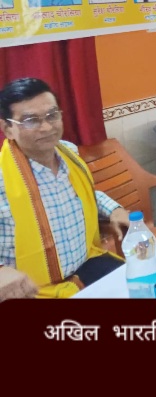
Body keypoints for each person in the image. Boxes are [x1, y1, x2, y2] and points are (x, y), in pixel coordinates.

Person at [0, 78, 130, 300]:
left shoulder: (69, 154)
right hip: (31, 291)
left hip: (87, 266)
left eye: (52, 115)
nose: (47, 127)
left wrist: (114, 210)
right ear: (8, 129)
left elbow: (85, 195)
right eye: (31, 120)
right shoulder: (4, 178)